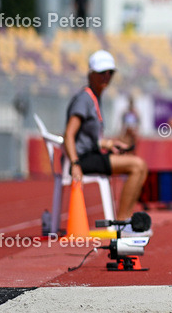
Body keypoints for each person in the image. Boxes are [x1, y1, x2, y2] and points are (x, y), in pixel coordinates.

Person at [63, 50, 148, 223]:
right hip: (82, 159)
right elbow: (69, 135)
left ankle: (126, 218)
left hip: (90, 154)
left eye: (110, 73)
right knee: (137, 166)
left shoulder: (94, 97)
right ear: (91, 74)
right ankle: (123, 221)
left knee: (140, 165)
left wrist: (109, 144)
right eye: (102, 73)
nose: (107, 77)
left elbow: (85, 138)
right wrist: (75, 164)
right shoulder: (84, 99)